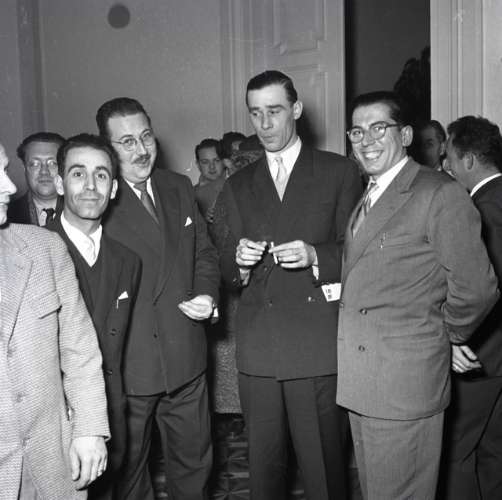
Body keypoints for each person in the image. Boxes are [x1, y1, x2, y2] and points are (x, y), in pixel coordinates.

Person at [337, 91, 499, 500]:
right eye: (357, 131)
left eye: (379, 128)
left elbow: (477, 288)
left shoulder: (438, 193)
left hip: (403, 385)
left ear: (406, 135)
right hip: (364, 382)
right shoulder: (370, 193)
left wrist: (447, 335)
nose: (366, 140)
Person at [213, 70, 362, 500]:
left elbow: (360, 253)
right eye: (255, 113)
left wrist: (316, 255)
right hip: (259, 349)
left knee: (323, 473)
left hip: (314, 344)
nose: (264, 125)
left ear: (296, 110)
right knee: (263, 476)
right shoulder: (238, 184)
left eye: (274, 111)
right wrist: (238, 263)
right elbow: (223, 264)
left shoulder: (338, 171)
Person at [96, 97, 220, 500]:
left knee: (195, 469)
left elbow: (204, 253)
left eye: (146, 136)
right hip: (129, 369)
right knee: (129, 477)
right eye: (127, 142)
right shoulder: (98, 200)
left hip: (185, 356)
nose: (141, 149)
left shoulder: (177, 186)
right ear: (108, 149)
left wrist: (206, 293)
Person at [0, 141, 109, 499]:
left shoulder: (44, 248)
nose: (10, 186)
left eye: (5, 170)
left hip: (51, 466)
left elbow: (80, 350)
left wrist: (89, 429)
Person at [48, 133, 141, 500]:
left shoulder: (127, 261)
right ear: (59, 183)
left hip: (111, 421)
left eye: (101, 175)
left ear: (114, 188)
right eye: (78, 174)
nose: (90, 186)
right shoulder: (34, 252)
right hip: (53, 430)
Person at [440, 115, 502, 500]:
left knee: (456, 454)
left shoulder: (480, 209)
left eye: (448, 157)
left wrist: (453, 335)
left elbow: (481, 289)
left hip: (482, 356)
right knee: (495, 454)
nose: (444, 165)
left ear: (468, 160)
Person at [8, 132, 64, 225]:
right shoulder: (6, 217)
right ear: (24, 168)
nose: (44, 171)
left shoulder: (83, 211)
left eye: (53, 163)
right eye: (35, 164)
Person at [194, 138, 226, 222]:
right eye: (205, 162)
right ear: (198, 165)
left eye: (217, 160)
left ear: (224, 161)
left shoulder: (235, 184)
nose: (212, 167)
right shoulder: (191, 195)